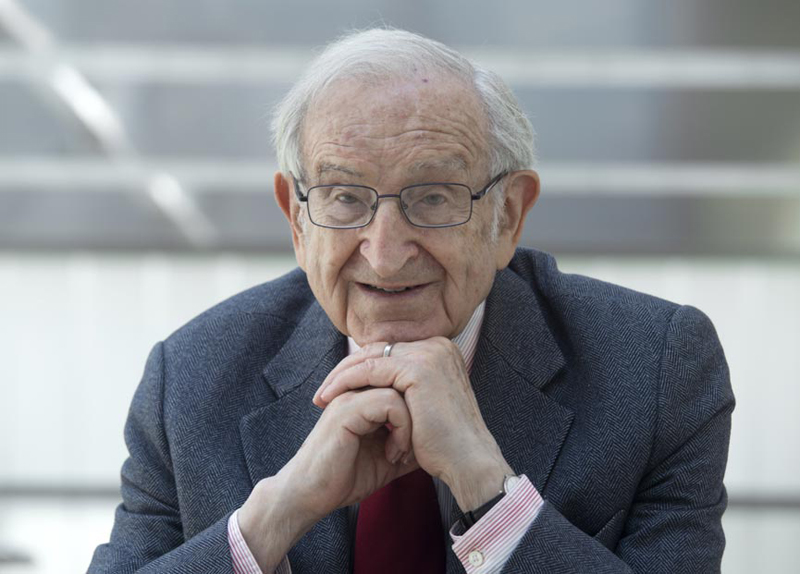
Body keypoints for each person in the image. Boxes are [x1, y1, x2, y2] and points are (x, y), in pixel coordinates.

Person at [88, 28, 734, 574]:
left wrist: (493, 496)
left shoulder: (656, 369)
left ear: (508, 216)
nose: (385, 253)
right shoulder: (190, 380)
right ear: (296, 219)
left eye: (432, 198)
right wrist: (275, 516)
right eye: (345, 197)